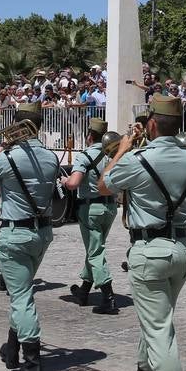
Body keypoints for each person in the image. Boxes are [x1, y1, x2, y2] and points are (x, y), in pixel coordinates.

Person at [102, 95, 186, 371]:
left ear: (153, 124)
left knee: (159, 329)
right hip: (182, 249)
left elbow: (103, 184)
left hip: (150, 251)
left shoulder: (138, 158)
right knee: (156, 321)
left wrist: (122, 149)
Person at [0, 102, 61, 371]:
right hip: (42, 233)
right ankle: (12, 348)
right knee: (21, 290)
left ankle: (33, 363)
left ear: (16, 125)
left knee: (21, 296)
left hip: (15, 234)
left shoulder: (7, 156)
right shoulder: (51, 157)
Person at [63, 118, 120, 314]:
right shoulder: (113, 155)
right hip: (110, 207)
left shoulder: (85, 155)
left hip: (90, 210)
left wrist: (64, 181)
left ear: (89, 136)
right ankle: (84, 290)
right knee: (95, 247)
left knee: (95, 251)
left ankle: (108, 297)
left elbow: (73, 183)